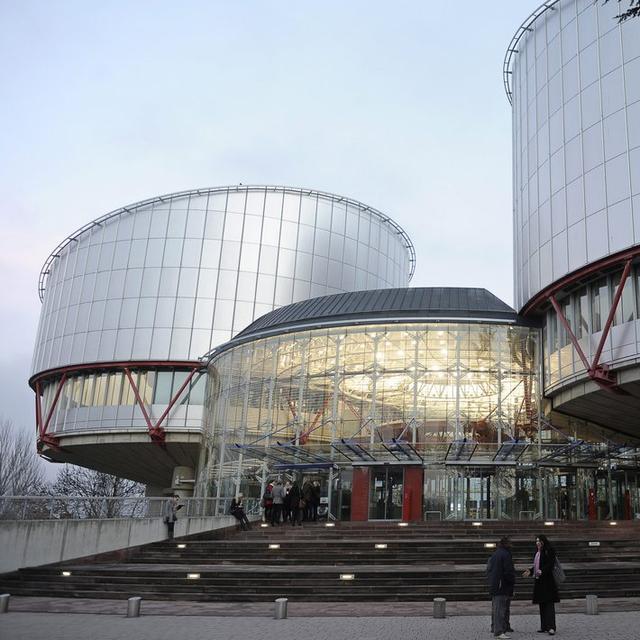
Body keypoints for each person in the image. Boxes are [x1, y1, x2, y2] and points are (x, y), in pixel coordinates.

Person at [522, 534, 560, 635]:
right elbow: (536, 566)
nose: (537, 542)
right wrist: (530, 571)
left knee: (549, 605)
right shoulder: (538, 552)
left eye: (539, 541)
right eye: (536, 541)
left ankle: (551, 627)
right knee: (542, 604)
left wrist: (541, 571)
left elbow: (550, 564)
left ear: (543, 541)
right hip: (539, 582)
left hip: (548, 582)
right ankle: (544, 626)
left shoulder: (549, 550)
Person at [487, 536, 516, 639]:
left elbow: (489, 569)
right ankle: (499, 631)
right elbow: (509, 572)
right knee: (500, 609)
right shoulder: (506, 555)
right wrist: (512, 583)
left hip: (495, 584)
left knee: (496, 608)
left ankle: (495, 627)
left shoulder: (495, 554)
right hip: (502, 585)